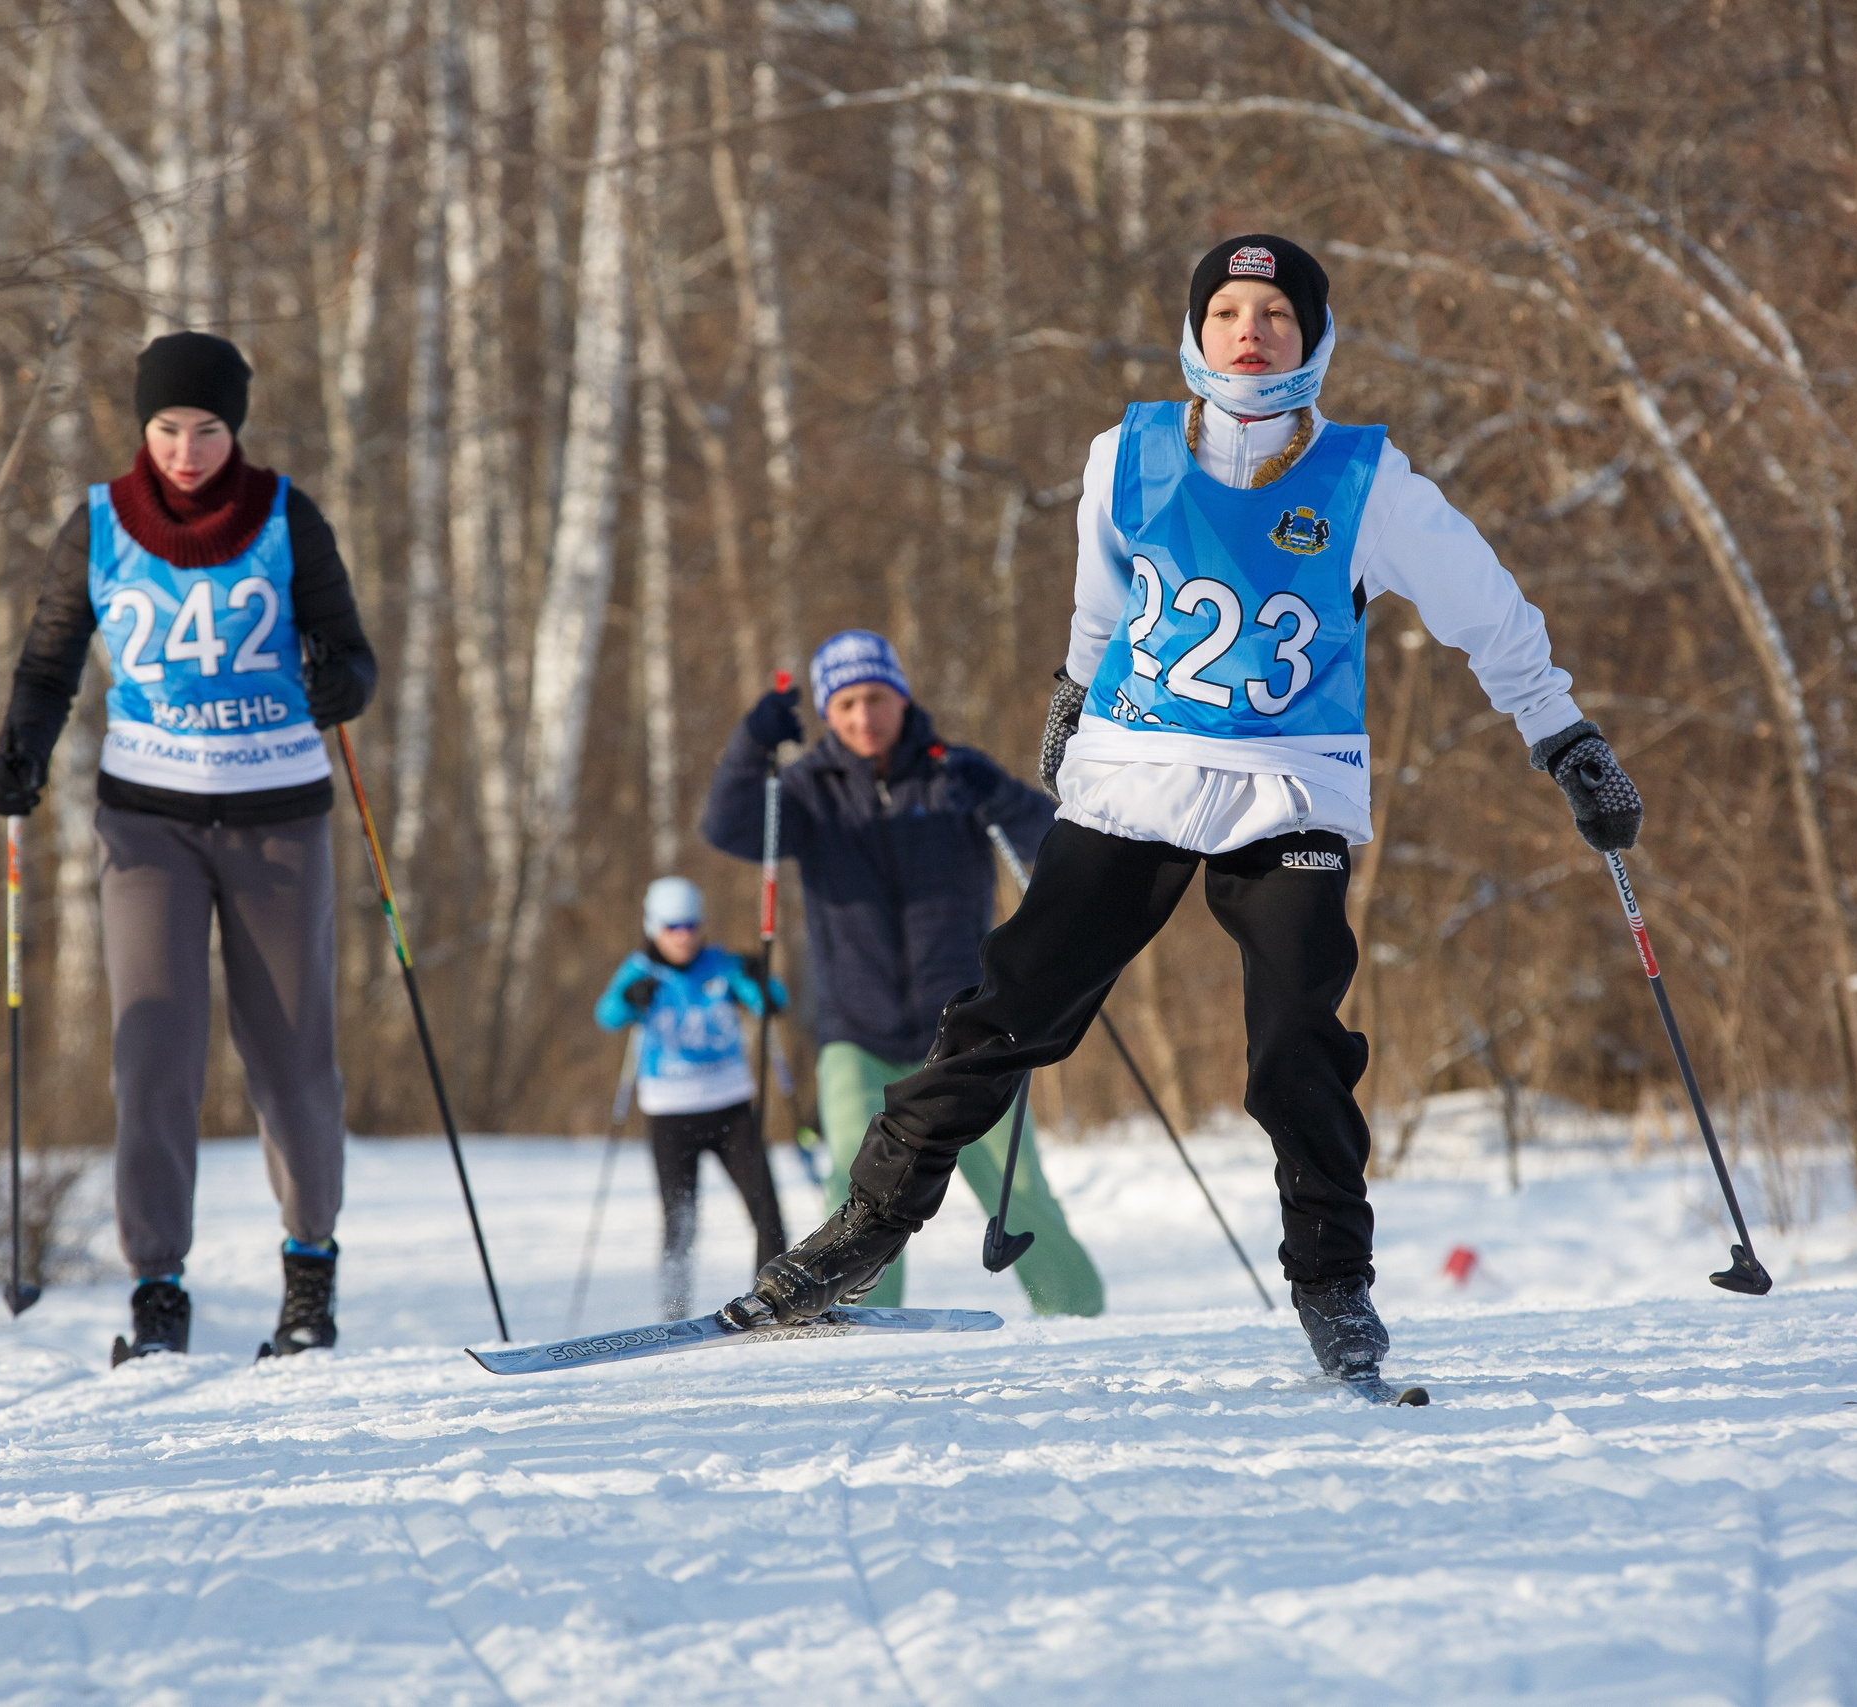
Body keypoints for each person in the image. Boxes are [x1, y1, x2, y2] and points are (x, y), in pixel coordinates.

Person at [720, 236, 1642, 1383]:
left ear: (1312, 340)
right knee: (1010, 1012)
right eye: (1225, 312)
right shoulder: (1129, 453)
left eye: (1273, 315)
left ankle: (1332, 1284)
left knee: (1295, 1040)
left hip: (1286, 782)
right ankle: (860, 1235)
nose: (1247, 331)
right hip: (1137, 775)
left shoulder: (1371, 482)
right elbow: (1101, 604)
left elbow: (1490, 616)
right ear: (1196, 333)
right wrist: (1070, 692)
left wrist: (1564, 736)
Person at [0, 331, 377, 1365]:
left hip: (278, 814)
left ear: (234, 429)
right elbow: (49, 660)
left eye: (206, 430)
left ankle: (308, 1276)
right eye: (166, 429)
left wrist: (342, 682)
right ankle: (158, 1291)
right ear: (141, 427)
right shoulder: (100, 525)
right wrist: (21, 750)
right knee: (152, 1054)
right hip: (146, 819)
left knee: (292, 1061)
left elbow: (353, 656)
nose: (186, 452)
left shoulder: (288, 518)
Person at [702, 629, 1105, 1316]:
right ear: (829, 712)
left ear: (901, 696)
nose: (865, 716)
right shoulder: (805, 793)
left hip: (969, 1029)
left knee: (1018, 1184)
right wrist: (751, 746)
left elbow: (1053, 836)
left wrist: (1000, 795)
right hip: (856, 1033)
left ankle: (1075, 1309)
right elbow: (731, 826)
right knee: (852, 1187)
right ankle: (861, 1312)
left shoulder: (954, 774)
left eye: (877, 697)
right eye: (848, 702)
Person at [594, 876, 790, 1318]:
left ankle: (775, 1301)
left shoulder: (721, 965)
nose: (682, 936)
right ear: (653, 927)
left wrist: (761, 979)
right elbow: (606, 1016)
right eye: (671, 927)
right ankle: (675, 1310)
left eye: (690, 925)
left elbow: (771, 1005)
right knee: (680, 1219)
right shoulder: (640, 969)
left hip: (730, 1108)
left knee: (765, 1208)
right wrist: (629, 998)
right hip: (670, 1114)